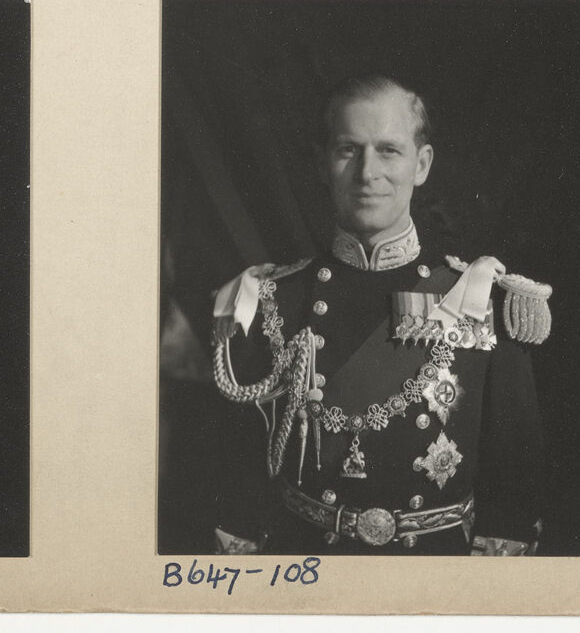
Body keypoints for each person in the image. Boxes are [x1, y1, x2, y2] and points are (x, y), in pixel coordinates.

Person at [207, 78, 550, 555]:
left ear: (421, 165)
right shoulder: (268, 300)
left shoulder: (479, 300)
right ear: (322, 164)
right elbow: (239, 494)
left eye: (389, 150)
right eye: (349, 149)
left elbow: (513, 497)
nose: (368, 172)